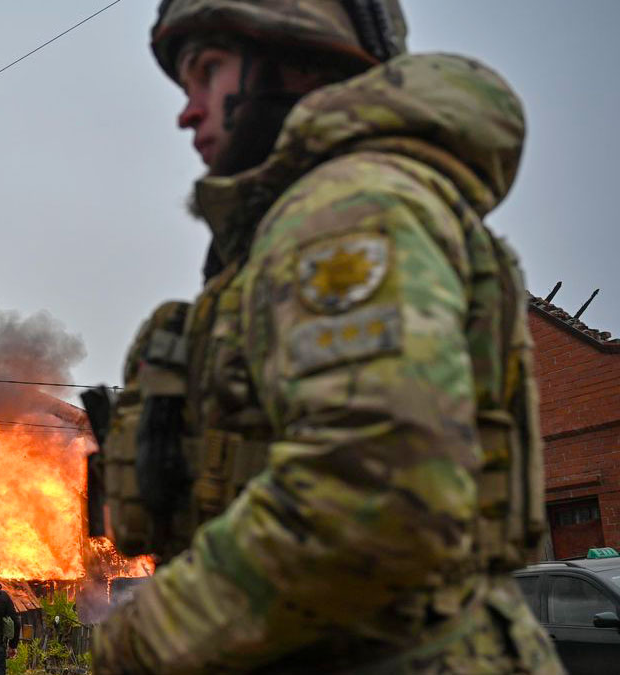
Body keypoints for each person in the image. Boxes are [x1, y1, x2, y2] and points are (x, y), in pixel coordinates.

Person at [90, 1, 566, 673]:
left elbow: (367, 500)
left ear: (293, 54)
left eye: (207, 72)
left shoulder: (347, 208)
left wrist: (138, 641)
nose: (187, 110)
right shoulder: (309, 220)